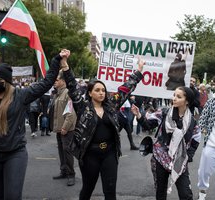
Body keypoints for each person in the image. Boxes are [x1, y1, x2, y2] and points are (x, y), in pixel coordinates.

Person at [0, 49, 68, 200]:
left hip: (14, 154)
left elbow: (46, 82)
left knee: (12, 196)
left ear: (7, 81)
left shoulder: (21, 95)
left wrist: (56, 60)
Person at [62, 55, 145, 200]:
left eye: (103, 90)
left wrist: (139, 69)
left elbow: (126, 89)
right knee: (88, 188)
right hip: (90, 155)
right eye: (97, 90)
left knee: (110, 190)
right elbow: (72, 87)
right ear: (89, 93)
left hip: (110, 153)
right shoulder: (83, 107)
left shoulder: (112, 105)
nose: (101, 93)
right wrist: (65, 66)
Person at [131, 86, 201, 200]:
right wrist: (138, 115)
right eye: (174, 95)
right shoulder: (164, 113)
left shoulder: (192, 121)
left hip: (179, 161)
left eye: (179, 97)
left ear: (187, 101)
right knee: (160, 192)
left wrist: (188, 155)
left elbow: (196, 138)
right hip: (160, 159)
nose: (174, 98)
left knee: (186, 194)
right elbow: (148, 125)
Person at [52, 70, 77, 186]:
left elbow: (70, 112)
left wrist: (65, 127)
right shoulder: (58, 93)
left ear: (62, 81)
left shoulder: (67, 93)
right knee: (61, 151)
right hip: (59, 128)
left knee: (67, 151)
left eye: (56, 80)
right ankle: (64, 171)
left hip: (66, 129)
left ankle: (71, 174)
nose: (54, 82)